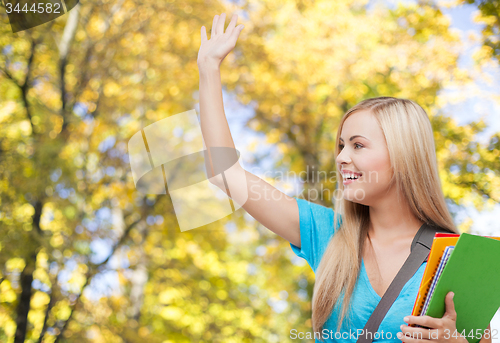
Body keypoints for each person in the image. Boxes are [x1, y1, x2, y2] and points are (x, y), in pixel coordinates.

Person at [196, 12, 492, 343]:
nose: (340, 157)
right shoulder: (327, 234)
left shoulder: (456, 260)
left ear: (403, 156)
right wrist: (209, 70)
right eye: (340, 145)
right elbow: (225, 173)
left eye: (358, 145)